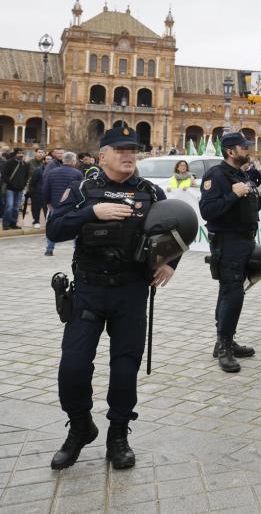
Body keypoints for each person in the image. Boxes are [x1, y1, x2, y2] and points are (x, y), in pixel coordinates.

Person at [46, 127, 177, 471]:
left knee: (124, 370)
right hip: (88, 292)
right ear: (102, 156)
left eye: (132, 149)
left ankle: (118, 435)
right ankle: (80, 427)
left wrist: (169, 263)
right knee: (72, 368)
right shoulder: (84, 190)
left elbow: (177, 228)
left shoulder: (150, 192)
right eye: (120, 150)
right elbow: (54, 230)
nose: (128, 155)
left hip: (131, 293)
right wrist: (93, 213)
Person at [199, 132, 261, 373]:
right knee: (232, 292)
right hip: (228, 241)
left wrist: (252, 196)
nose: (248, 149)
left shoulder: (241, 174)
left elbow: (250, 204)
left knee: (229, 290)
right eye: (243, 147)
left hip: (244, 239)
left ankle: (224, 340)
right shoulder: (216, 175)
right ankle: (224, 346)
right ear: (230, 151)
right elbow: (208, 210)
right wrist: (233, 194)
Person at [42, 152, 84, 256]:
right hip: (72, 205)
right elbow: (82, 190)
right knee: (76, 226)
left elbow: (45, 189)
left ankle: (49, 249)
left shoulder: (52, 172)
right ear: (73, 161)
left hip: (55, 205)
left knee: (53, 226)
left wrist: (47, 202)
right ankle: (77, 248)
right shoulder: (78, 174)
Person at [1, 148, 29, 230]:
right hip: (9, 189)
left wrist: (23, 185)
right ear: (15, 153)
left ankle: (13, 223)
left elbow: (26, 177)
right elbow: (4, 175)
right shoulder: (9, 162)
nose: (21, 155)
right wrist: (10, 183)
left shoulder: (25, 164)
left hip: (19, 189)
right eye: (19, 153)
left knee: (16, 208)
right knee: (9, 206)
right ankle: (6, 224)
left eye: (22, 153)